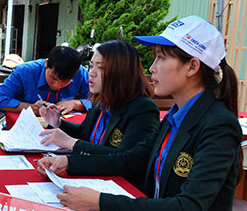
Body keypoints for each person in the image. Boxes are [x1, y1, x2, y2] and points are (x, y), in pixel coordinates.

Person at [36, 16, 244, 211]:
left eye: (161, 58)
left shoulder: (218, 124)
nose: (152, 68)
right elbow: (130, 159)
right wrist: (69, 162)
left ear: (192, 66)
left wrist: (100, 202)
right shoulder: (175, 117)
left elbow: (187, 208)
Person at [38, 40, 159, 177]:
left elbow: (126, 160)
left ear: (121, 72)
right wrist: (57, 123)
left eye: (100, 67)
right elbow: (85, 132)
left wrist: (72, 145)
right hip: (92, 176)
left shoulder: (142, 109)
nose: (92, 73)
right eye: (91, 66)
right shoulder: (102, 100)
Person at [0, 46, 91, 115]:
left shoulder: (81, 73)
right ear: (47, 63)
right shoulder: (24, 72)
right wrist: (30, 107)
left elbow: (99, 101)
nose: (57, 85)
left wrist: (76, 104)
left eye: (65, 81)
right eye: (53, 78)